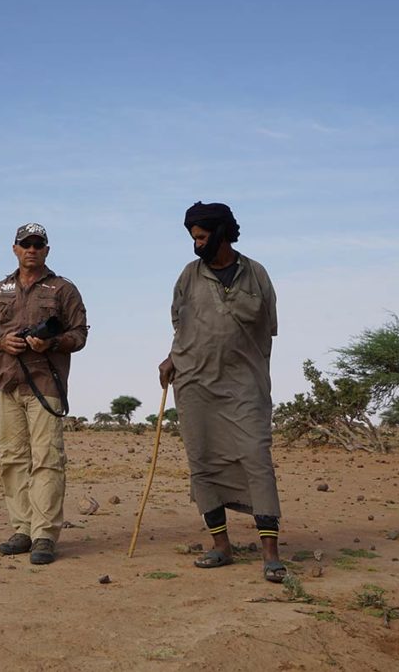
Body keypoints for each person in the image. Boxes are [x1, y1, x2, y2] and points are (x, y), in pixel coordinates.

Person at [158, 202, 286, 583]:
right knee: (203, 461)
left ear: (221, 233)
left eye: (201, 237)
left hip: (245, 384)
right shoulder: (188, 276)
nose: (196, 244)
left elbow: (268, 330)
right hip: (195, 383)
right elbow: (181, 325)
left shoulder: (256, 274)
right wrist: (171, 357)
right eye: (192, 237)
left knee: (256, 457)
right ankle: (221, 546)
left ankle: (271, 553)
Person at [0, 223, 89, 565]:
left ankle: (44, 535)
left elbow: (80, 334)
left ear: (47, 250)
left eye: (38, 244)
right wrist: (1, 342)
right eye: (26, 244)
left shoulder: (62, 289)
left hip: (45, 384)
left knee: (47, 459)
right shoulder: (0, 289)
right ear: (15, 249)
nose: (32, 250)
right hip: (8, 382)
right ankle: (22, 529)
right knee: (12, 458)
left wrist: (51, 342)